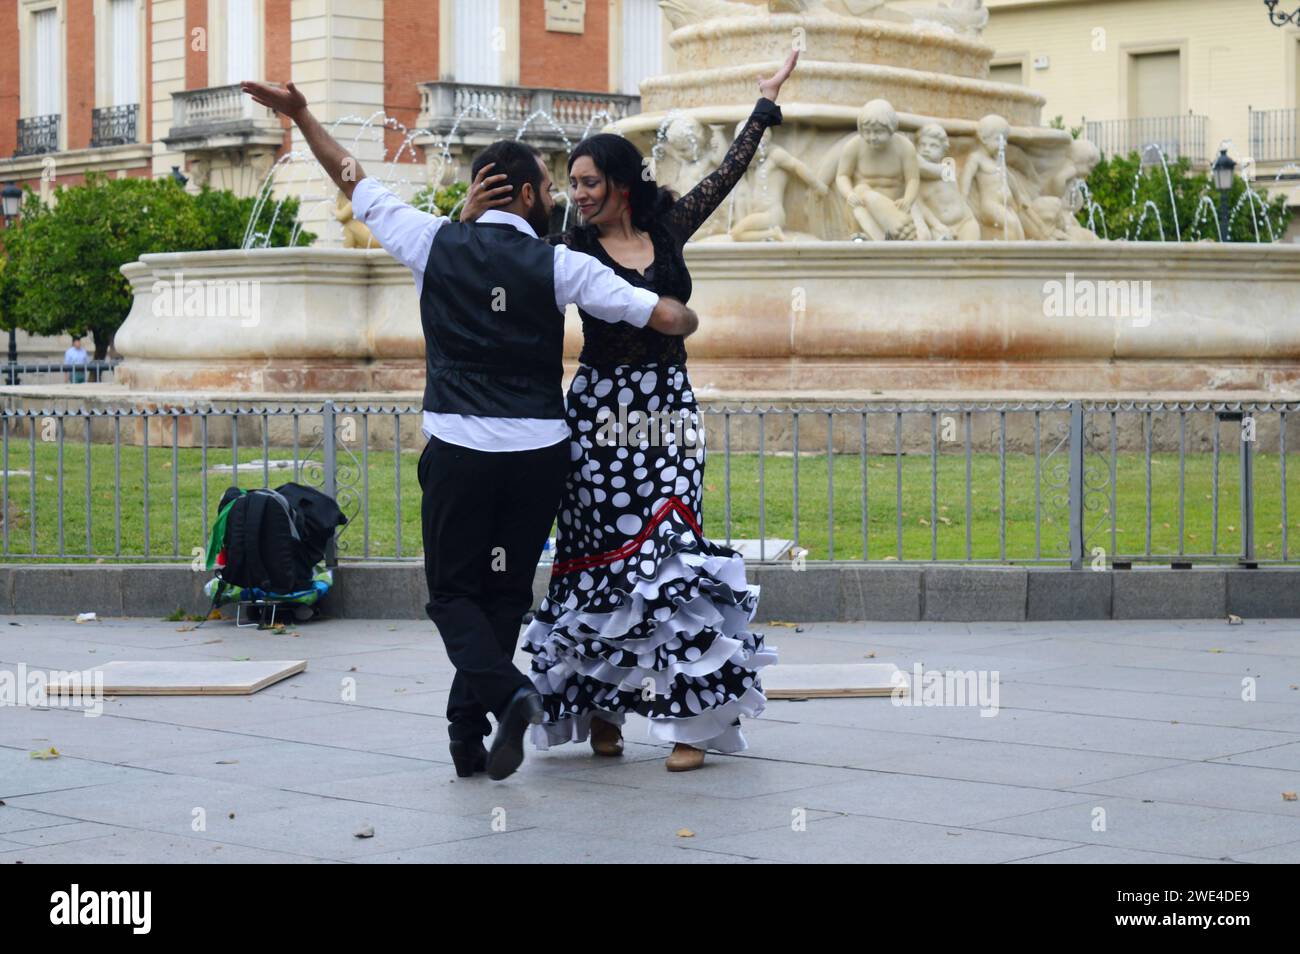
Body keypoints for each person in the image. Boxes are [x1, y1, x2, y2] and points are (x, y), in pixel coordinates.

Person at [241, 79, 700, 782]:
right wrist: (683, 316)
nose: (555, 199)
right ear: (521, 196)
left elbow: (351, 176)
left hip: (460, 451)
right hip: (540, 454)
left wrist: (301, 114)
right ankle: (467, 733)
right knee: (506, 594)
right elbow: (660, 317)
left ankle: (507, 692)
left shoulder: (431, 242)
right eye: (547, 187)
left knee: (454, 596)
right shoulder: (560, 262)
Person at [460, 50, 798, 772]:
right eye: (571, 184)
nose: (577, 194)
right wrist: (470, 219)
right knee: (596, 567)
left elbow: (728, 172)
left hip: (668, 411)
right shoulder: (567, 247)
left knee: (672, 558)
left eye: (588, 183)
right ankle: (600, 713)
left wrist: (764, 104)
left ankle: (689, 726)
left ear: (619, 183)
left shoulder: (668, 227)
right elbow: (495, 267)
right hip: (600, 417)